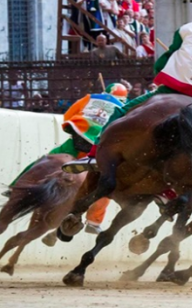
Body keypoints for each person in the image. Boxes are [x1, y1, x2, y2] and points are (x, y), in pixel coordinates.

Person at [62, 0, 192, 174]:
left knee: (121, 111)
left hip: (172, 90)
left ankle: (93, 154)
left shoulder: (188, 28)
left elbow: (167, 57)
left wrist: (160, 72)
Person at [5, 84, 128, 233]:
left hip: (76, 142)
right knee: (106, 181)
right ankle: (94, 221)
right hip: (97, 149)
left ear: (105, 92)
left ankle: (15, 188)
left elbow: (68, 116)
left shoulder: (90, 98)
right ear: (124, 98)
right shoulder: (124, 107)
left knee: (43, 162)